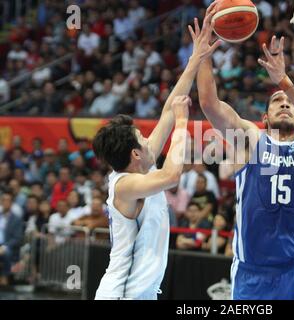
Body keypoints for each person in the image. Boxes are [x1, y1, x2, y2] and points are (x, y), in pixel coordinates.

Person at [197, 16, 294, 299]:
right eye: (277, 101)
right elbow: (209, 104)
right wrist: (203, 55)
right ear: (264, 117)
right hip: (252, 272)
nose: (285, 103)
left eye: (289, 102)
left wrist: (284, 82)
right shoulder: (251, 140)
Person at [93, 9, 220, 300]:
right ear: (136, 154)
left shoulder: (141, 166)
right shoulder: (125, 185)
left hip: (140, 293)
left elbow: (167, 108)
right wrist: (183, 122)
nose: (150, 141)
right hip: (122, 295)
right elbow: (172, 174)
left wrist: (195, 58)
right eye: (143, 139)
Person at [0, 191, 24, 286]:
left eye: (8, 200)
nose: (6, 202)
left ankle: (4, 277)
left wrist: (4, 247)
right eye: (4, 200)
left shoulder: (16, 219)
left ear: (11, 203)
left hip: (8, 246)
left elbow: (17, 238)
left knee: (6, 252)